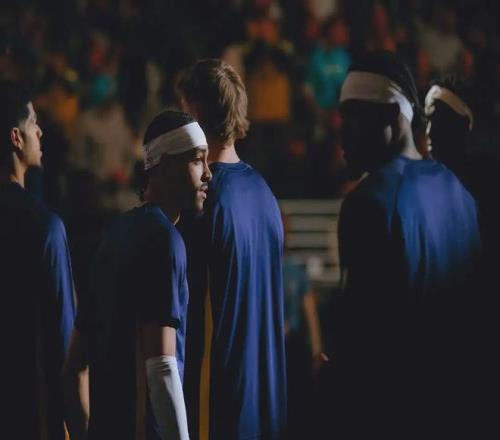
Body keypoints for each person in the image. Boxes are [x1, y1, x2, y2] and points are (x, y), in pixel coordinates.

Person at [319, 52, 481, 437]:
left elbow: (361, 346)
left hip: (398, 412)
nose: (341, 132)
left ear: (393, 116)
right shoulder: (460, 191)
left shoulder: (369, 202)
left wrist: (327, 374)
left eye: (353, 116)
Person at [64, 110, 212, 440]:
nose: (208, 173)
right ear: (166, 166)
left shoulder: (116, 232)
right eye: (197, 160)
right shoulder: (164, 240)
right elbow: (161, 367)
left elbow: (74, 365)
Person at [178, 59, 287, 440]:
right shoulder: (264, 192)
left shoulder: (203, 200)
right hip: (265, 404)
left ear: (195, 113)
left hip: (220, 407)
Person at [0, 81, 76, 439]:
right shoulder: (44, 227)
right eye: (33, 123)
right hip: (31, 413)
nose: (40, 132)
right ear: (16, 138)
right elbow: (64, 341)